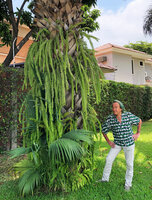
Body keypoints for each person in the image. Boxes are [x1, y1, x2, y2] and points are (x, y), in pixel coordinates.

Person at [97, 100, 142, 191]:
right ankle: (105, 179)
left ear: (121, 108)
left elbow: (139, 121)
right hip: (117, 144)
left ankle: (128, 184)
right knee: (108, 159)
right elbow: (103, 130)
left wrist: (138, 133)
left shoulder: (128, 115)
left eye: (116, 107)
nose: (114, 109)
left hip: (128, 143)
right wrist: (109, 142)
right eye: (113, 107)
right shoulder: (110, 119)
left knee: (129, 164)